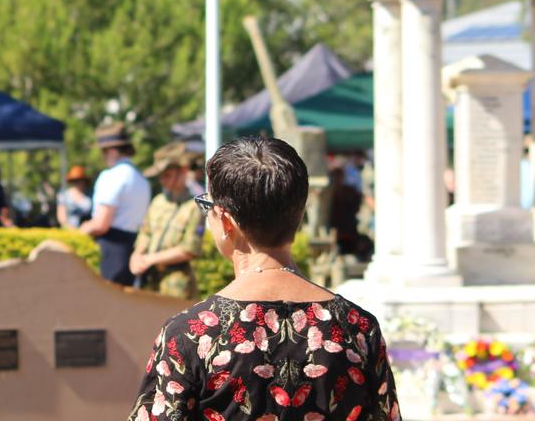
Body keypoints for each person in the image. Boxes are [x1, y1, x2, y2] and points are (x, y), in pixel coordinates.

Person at [130, 137, 400, 421]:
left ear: (225, 222)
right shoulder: (358, 327)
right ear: (298, 213)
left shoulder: (190, 334)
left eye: (206, 206)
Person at [78, 123, 150, 286]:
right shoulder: (141, 179)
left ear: (111, 150)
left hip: (110, 251)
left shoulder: (111, 176)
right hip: (131, 248)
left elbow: (101, 224)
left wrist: (80, 231)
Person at [129, 148, 203, 299]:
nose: (162, 181)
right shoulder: (158, 202)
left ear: (182, 172)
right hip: (151, 283)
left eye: (167, 175)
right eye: (160, 176)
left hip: (176, 286)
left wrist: (150, 259)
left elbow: (190, 249)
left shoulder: (194, 206)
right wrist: (137, 255)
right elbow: (146, 233)